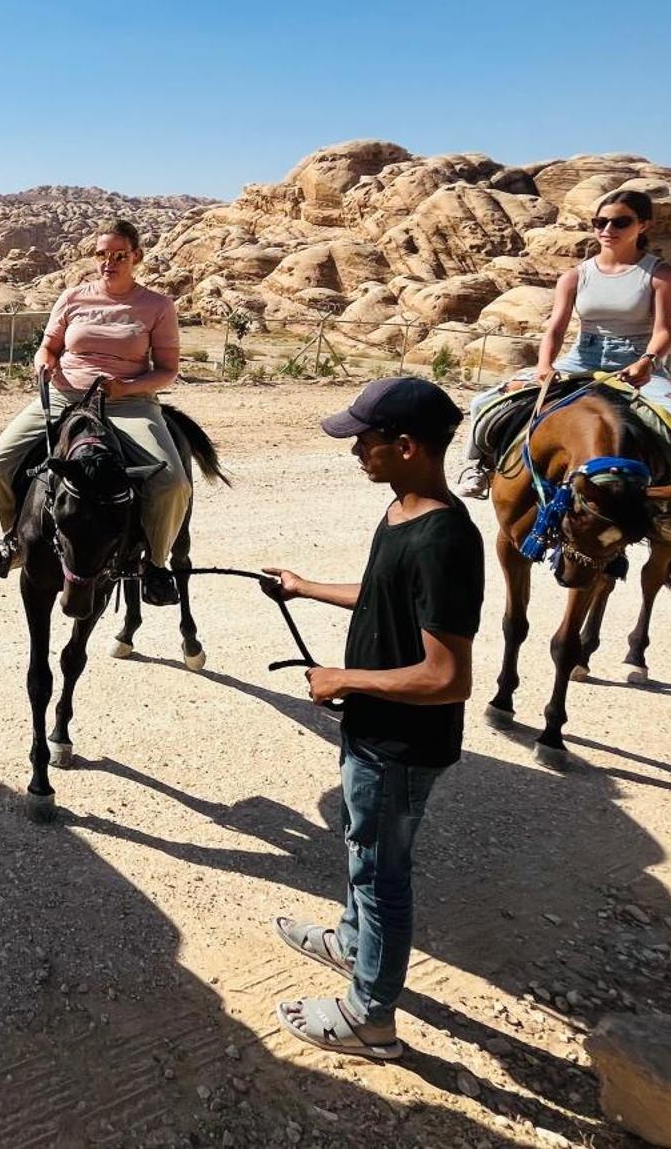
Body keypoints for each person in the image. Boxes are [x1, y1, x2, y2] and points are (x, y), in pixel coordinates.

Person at [259, 376, 481, 1060]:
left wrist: (344, 679)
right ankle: (354, 944)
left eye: (366, 440)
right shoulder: (401, 514)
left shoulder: (444, 539)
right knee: (363, 856)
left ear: (407, 446)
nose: (356, 451)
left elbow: (448, 676)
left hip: (402, 743)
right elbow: (382, 595)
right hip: (374, 732)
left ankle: (370, 1018)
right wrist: (303, 586)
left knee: (382, 877)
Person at [456, 189, 671, 551]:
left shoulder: (659, 274)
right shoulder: (577, 275)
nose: (607, 229)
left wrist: (647, 362)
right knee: (487, 400)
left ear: (643, 225)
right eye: (600, 222)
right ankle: (480, 468)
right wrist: (546, 365)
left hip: (637, 362)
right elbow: (556, 328)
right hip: (582, 357)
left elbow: (664, 331)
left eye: (619, 222)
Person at [0, 219, 190, 603]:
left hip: (128, 402)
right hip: (65, 393)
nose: (109, 263)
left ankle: (155, 567)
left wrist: (126, 387)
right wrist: (43, 363)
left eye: (119, 255)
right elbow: (49, 347)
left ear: (136, 256)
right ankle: (14, 542)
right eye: (101, 255)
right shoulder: (74, 297)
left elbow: (167, 371)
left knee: (172, 482)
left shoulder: (157, 306)